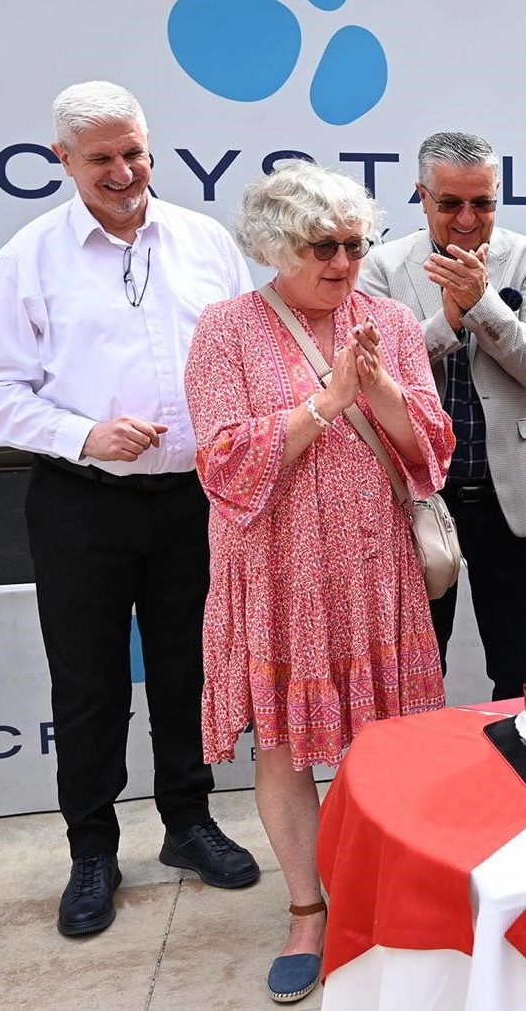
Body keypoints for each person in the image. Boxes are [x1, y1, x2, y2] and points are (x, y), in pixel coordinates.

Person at [0, 81, 259, 939]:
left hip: (194, 502)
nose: (123, 170)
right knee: (88, 685)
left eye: (134, 151)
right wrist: (83, 434)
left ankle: (188, 823)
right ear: (63, 160)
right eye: (101, 157)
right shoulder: (29, 258)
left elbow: (249, 354)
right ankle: (92, 852)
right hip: (81, 506)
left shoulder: (206, 241)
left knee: (189, 672)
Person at [186, 159, 453, 1003]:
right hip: (276, 570)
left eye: (354, 245)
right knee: (282, 743)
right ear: (275, 246)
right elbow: (222, 461)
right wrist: (327, 403)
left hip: (374, 565)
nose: (343, 263)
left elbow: (431, 449)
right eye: (322, 247)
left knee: (392, 739)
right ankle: (308, 909)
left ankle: (395, 892)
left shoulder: (390, 320)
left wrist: (382, 391)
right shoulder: (225, 330)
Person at [359, 131, 526, 700]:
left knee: (520, 671)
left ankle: (519, 758)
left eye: (483, 203)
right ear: (421, 197)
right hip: (417, 494)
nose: (468, 219)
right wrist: (448, 322)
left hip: (508, 492)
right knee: (416, 672)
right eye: (450, 203)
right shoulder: (383, 267)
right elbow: (374, 375)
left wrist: (483, 305)